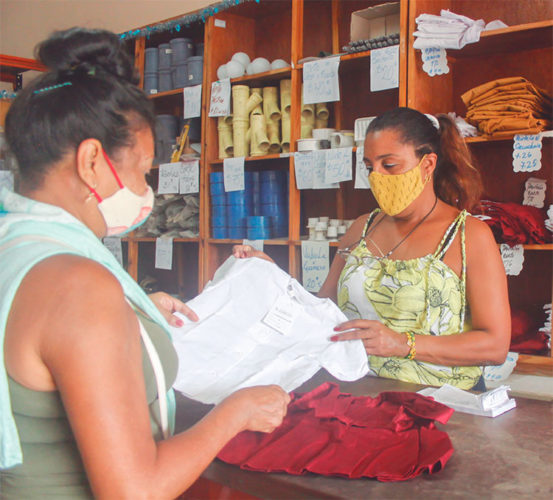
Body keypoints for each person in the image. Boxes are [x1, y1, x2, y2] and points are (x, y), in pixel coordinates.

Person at [0, 28, 289, 498]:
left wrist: (131, 315)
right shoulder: (78, 285)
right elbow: (134, 491)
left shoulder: (17, 250)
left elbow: (41, 340)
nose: (145, 189)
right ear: (92, 162)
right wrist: (236, 413)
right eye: (142, 170)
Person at [234, 107, 511, 391]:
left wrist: (403, 344)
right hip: (359, 390)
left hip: (441, 401)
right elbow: (321, 312)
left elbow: (495, 345)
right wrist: (271, 276)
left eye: (389, 165)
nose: (377, 177)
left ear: (427, 164)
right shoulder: (361, 229)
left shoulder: (469, 236)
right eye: (370, 167)